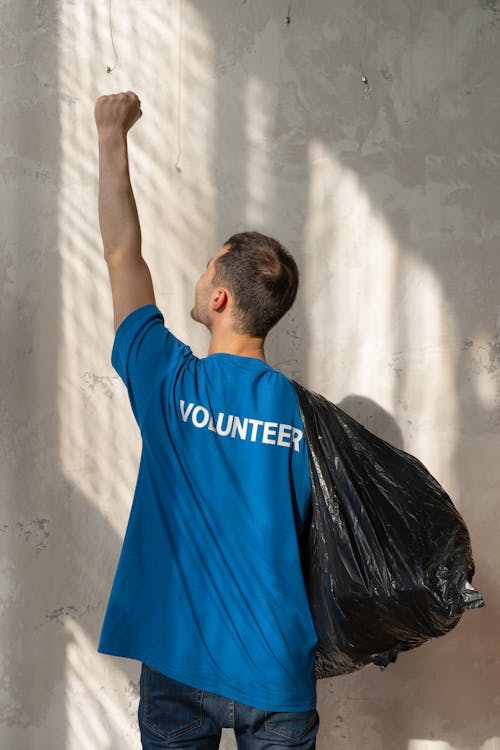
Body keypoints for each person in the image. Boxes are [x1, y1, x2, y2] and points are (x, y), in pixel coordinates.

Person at [95, 91, 319, 749]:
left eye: (203, 270)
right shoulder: (307, 416)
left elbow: (120, 257)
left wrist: (111, 135)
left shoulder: (167, 379)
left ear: (218, 297)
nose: (195, 280)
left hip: (179, 662)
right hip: (277, 672)